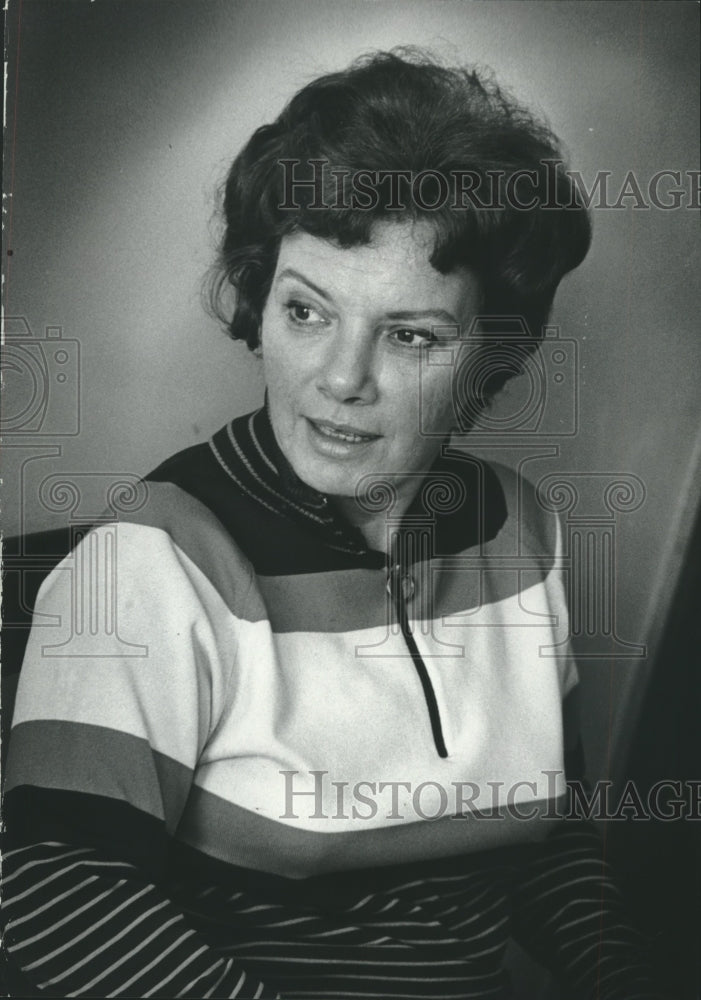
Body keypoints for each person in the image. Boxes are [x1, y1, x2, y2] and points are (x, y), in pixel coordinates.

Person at [2, 49, 659, 999]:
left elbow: (546, 841)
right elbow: (57, 894)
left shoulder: (520, 531)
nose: (341, 379)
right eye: (307, 311)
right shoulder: (150, 562)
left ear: (491, 354)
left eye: (409, 335)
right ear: (258, 302)